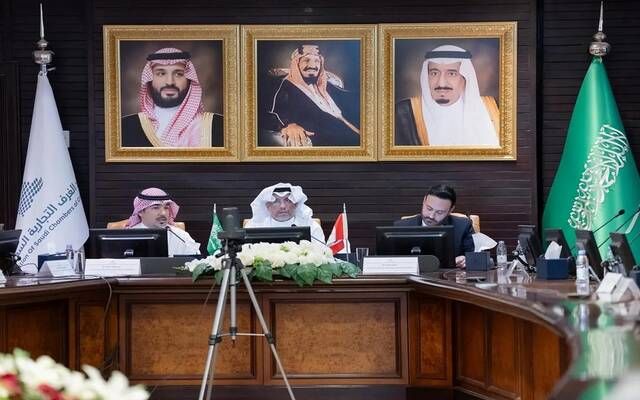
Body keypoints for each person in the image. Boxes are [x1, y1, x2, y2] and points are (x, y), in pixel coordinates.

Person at [395, 45, 500, 147]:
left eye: (451, 74)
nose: (441, 83)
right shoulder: (403, 113)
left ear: (465, 78)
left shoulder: (492, 110)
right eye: (434, 73)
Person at [121, 47, 223, 148]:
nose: (170, 82)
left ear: (189, 80)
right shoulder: (126, 126)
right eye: (161, 74)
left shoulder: (217, 125)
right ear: (150, 80)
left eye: (178, 74)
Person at [265, 44, 360, 147]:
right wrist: (287, 125)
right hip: (332, 141)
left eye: (317, 61)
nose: (312, 65)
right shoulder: (284, 86)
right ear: (296, 64)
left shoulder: (328, 85)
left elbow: (351, 99)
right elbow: (267, 113)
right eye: (306, 60)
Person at [394, 184, 474, 268]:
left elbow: (475, 259)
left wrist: (465, 260)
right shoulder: (400, 226)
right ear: (424, 201)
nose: (431, 216)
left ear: (451, 210)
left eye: (439, 212)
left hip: (450, 275)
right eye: (429, 208)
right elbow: (392, 262)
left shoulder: (463, 226)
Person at [125, 187, 201, 256]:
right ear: (140, 211)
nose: (163, 213)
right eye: (156, 208)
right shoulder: (128, 237)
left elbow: (197, 263)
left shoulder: (181, 236)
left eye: (166, 208)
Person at [246, 183, 325, 242]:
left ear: (296, 204)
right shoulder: (254, 226)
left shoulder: (310, 225)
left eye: (287, 200)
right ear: (267, 206)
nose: (282, 206)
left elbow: (323, 253)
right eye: (276, 201)